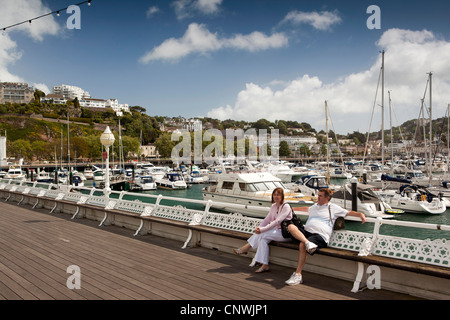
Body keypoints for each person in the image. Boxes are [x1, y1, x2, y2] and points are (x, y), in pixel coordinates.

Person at [284, 188, 366, 286]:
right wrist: (290, 209)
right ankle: (307, 242)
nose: (318, 197)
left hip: (320, 236)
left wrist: (360, 214)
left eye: (320, 196)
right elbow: (306, 208)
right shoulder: (315, 206)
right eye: (318, 195)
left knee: (302, 245)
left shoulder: (333, 208)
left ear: (327, 198)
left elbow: (348, 213)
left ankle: (298, 275)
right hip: (307, 232)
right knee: (291, 227)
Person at [233, 187, 292, 273]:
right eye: (274, 195)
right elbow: (267, 220)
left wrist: (262, 230)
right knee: (262, 239)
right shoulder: (274, 206)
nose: (276, 196)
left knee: (262, 234)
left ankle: (245, 248)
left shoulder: (286, 206)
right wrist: (259, 228)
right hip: (275, 232)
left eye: (278, 195)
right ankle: (265, 265)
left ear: (282, 196)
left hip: (285, 233)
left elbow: (277, 221)